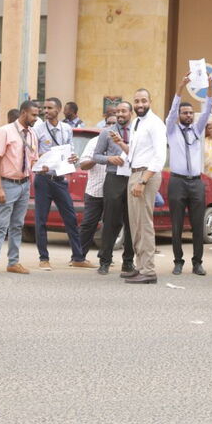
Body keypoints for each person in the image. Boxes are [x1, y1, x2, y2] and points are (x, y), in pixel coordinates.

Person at [32, 97, 94, 269]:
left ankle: (78, 258)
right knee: (41, 220)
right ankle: (43, 258)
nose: (46, 111)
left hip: (60, 180)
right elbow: (33, 154)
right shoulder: (37, 129)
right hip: (43, 179)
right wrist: (41, 161)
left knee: (71, 218)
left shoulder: (66, 129)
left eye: (50, 108)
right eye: (45, 108)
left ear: (58, 110)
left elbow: (70, 150)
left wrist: (73, 158)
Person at [113, 88, 167, 284]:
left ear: (150, 101)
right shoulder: (137, 122)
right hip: (134, 172)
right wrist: (121, 143)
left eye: (143, 101)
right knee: (135, 224)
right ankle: (140, 266)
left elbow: (159, 156)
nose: (140, 104)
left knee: (144, 224)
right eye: (136, 101)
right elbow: (136, 152)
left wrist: (143, 181)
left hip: (146, 175)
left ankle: (148, 271)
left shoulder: (155, 123)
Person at [164, 72, 212, 276]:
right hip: (177, 182)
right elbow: (171, 111)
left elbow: (208, 108)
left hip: (196, 183)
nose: (188, 115)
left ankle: (197, 262)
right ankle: (178, 261)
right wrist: (180, 87)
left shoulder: (197, 129)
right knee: (176, 224)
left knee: (198, 224)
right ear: (179, 115)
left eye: (191, 113)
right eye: (185, 113)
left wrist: (209, 88)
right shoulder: (171, 129)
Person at [0, 100, 41, 277]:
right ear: (24, 113)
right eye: (34, 115)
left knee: (17, 225)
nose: (36, 118)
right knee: (1, 225)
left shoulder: (32, 134)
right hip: (7, 184)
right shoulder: (5, 131)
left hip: (24, 184)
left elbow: (33, 159)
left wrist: (45, 165)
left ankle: (13, 262)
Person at [93, 102, 136, 276]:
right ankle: (105, 261)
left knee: (131, 222)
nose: (120, 114)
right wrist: (109, 159)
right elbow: (96, 156)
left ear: (131, 113)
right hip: (113, 178)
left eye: (123, 111)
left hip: (133, 178)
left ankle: (128, 262)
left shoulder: (138, 131)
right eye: (118, 111)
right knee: (111, 221)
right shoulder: (107, 132)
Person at [77, 116, 115, 258]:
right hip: (95, 191)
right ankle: (79, 257)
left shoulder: (122, 143)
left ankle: (105, 258)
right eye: (108, 123)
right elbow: (83, 165)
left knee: (111, 226)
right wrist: (98, 156)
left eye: (114, 124)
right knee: (88, 224)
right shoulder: (94, 142)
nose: (110, 126)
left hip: (114, 192)